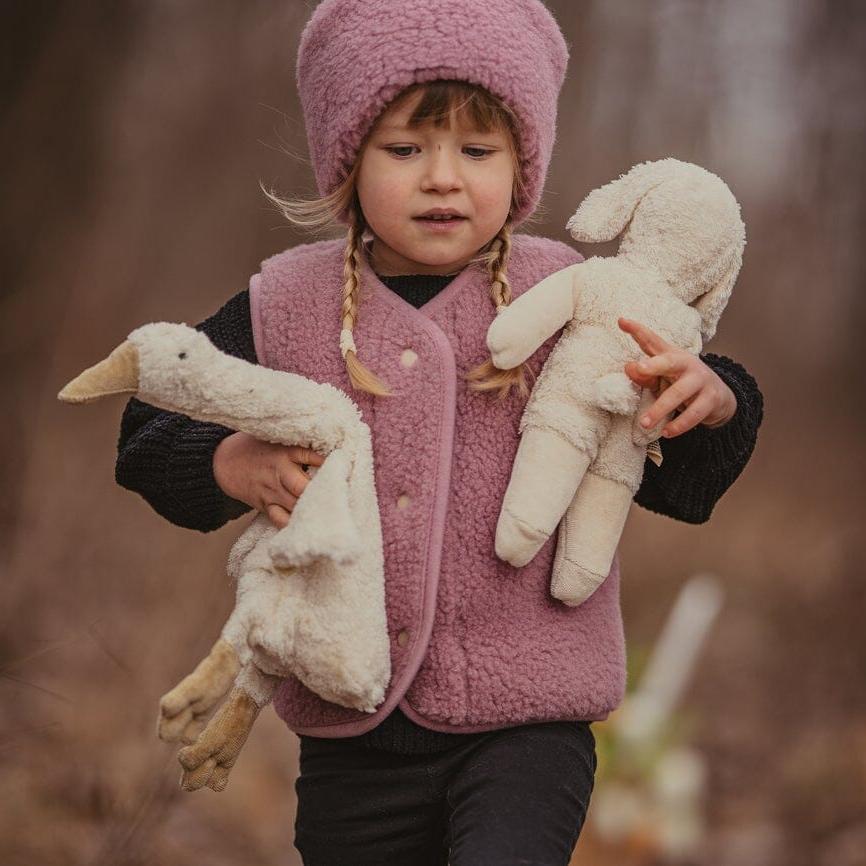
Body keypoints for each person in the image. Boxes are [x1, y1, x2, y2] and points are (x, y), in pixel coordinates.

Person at [115, 1, 764, 863]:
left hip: (528, 727)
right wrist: (233, 462)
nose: (443, 178)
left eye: (477, 150)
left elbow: (689, 472)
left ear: (522, 163)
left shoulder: (576, 292)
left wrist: (710, 397)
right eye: (406, 149)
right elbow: (149, 423)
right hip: (353, 733)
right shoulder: (286, 305)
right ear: (348, 160)